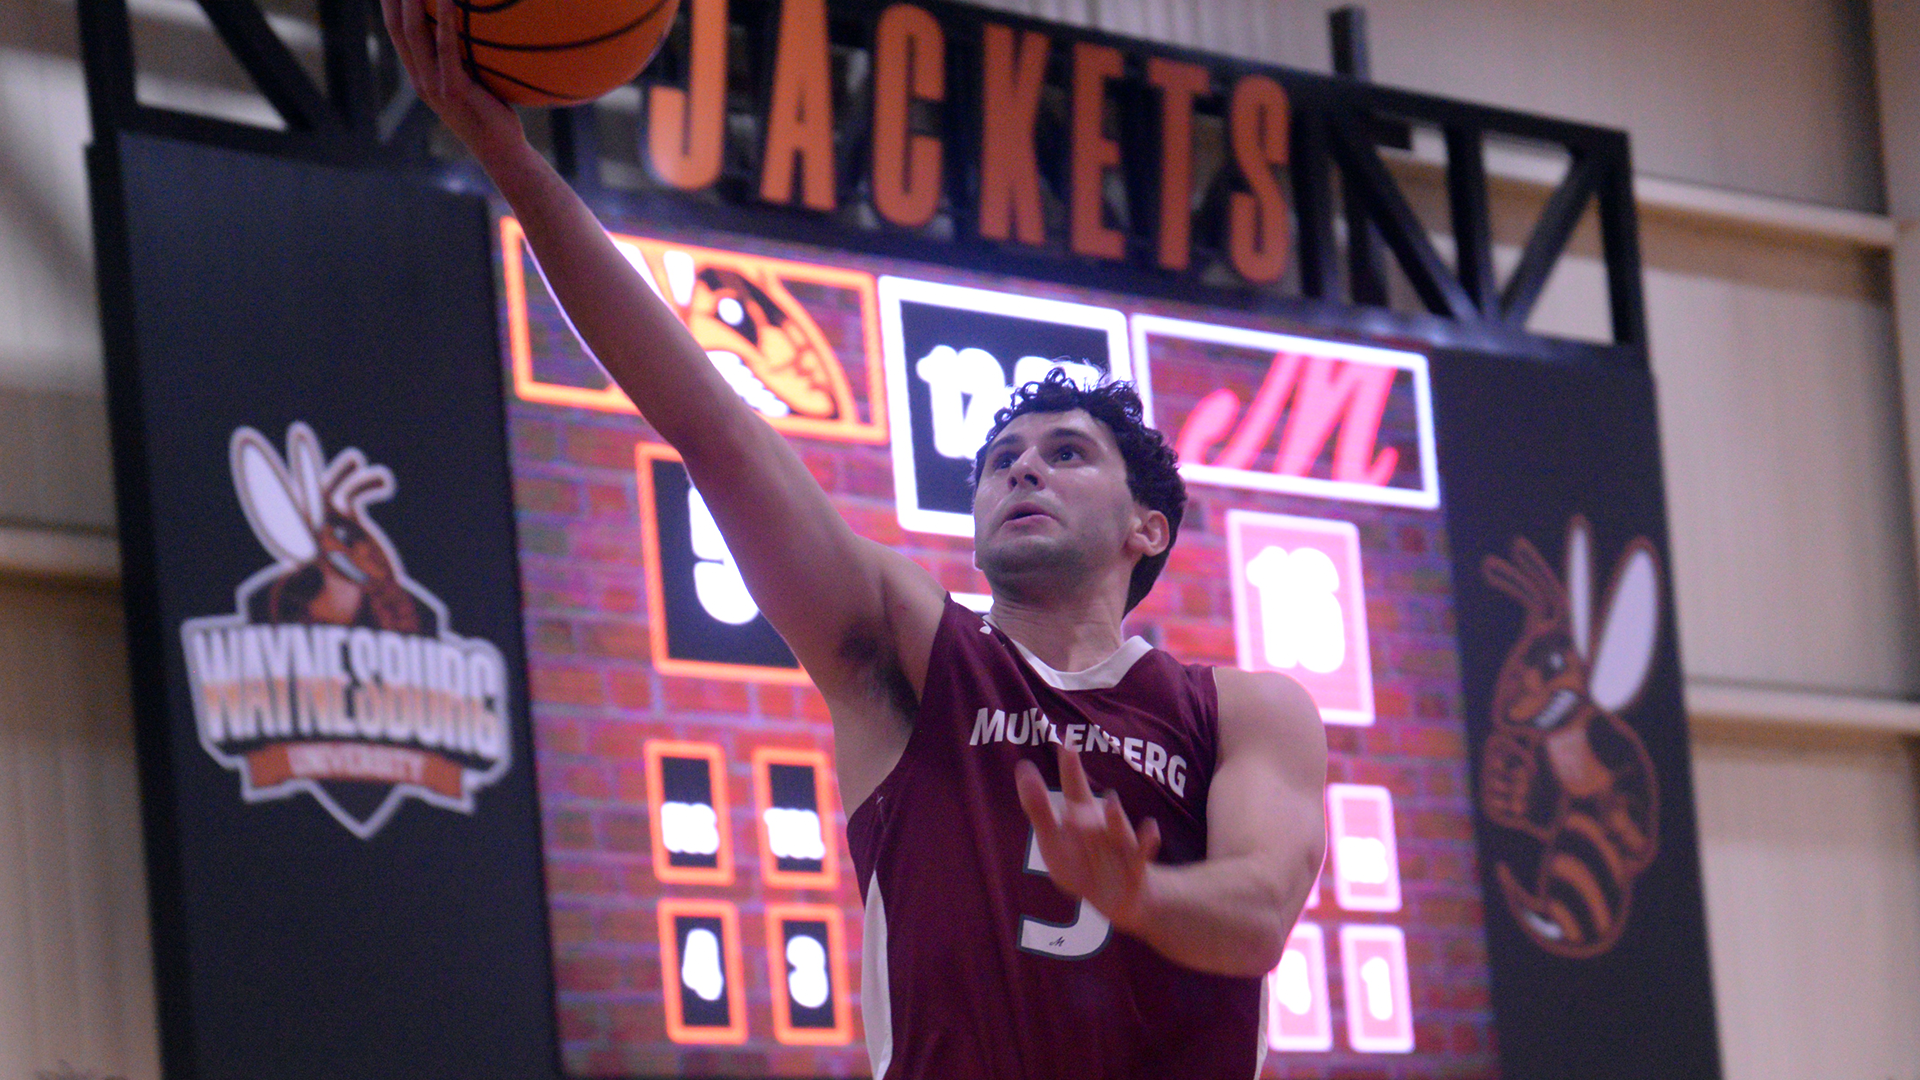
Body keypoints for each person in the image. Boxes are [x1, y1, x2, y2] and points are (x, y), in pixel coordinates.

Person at [382, 1, 1327, 1075]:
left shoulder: (1241, 712)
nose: (1022, 468)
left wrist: (1139, 894)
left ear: (1147, 527)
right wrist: (512, 165)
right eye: (1000, 460)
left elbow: (1260, 913)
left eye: (1066, 453)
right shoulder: (915, 652)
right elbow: (715, 429)